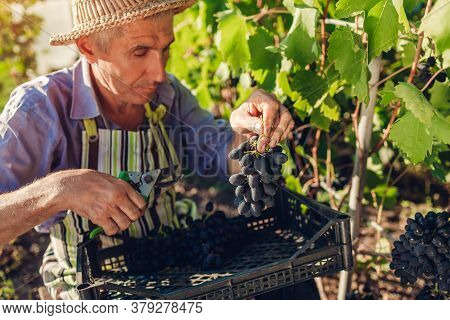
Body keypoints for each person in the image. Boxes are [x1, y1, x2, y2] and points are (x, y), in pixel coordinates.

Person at [0, 0, 294, 299]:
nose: (160, 73)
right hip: (91, 289)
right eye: (140, 52)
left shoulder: (168, 95)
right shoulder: (39, 109)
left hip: (178, 270)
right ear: (88, 48)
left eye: (165, 49)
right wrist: (59, 189)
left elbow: (225, 158)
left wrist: (250, 132)